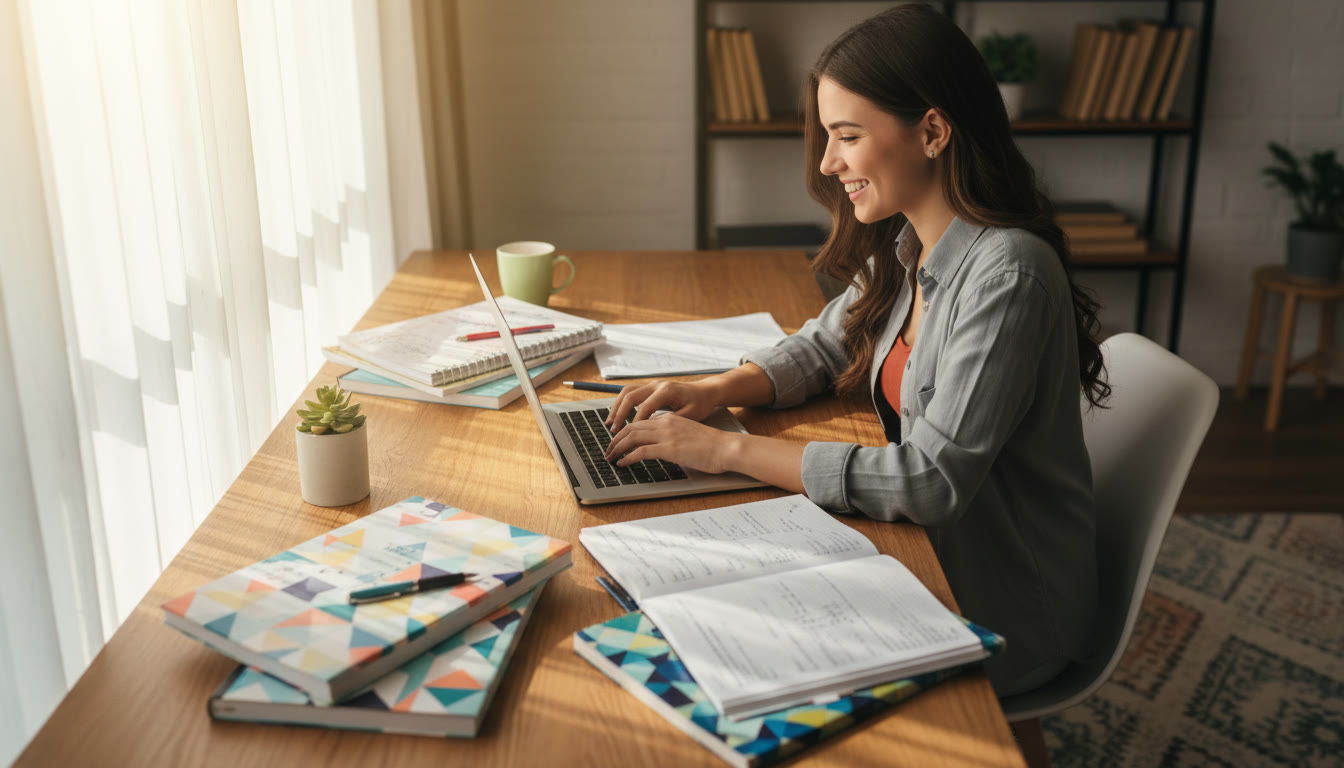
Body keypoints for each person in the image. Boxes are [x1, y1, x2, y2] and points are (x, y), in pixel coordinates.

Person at [603, 4, 1109, 698]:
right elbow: (825, 343)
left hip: (1004, 605)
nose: (827, 162)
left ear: (932, 131)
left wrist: (723, 449)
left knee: (725, 640)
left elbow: (929, 481)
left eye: (847, 136)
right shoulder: (912, 244)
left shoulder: (1007, 275)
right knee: (698, 596)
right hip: (935, 563)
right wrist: (717, 391)